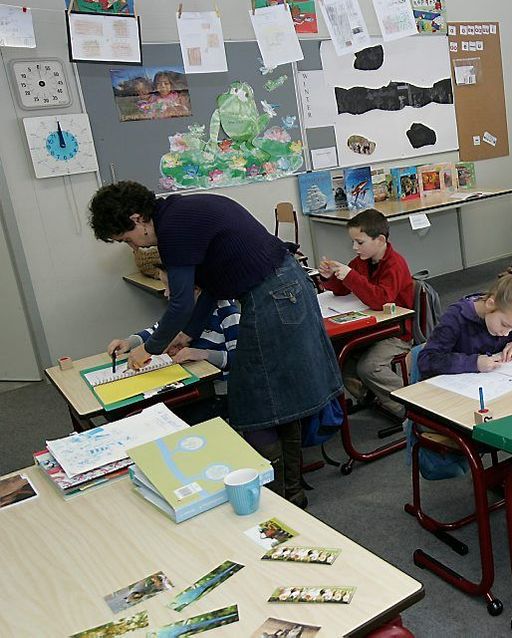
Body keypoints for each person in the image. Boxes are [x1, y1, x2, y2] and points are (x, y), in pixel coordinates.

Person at [88, 181, 341, 508]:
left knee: (256, 397)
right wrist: (188, 334)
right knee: (278, 393)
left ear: (137, 219)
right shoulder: (177, 215)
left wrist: (148, 349)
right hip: (282, 288)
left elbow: (180, 302)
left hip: (275, 294)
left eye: (127, 239)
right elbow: (210, 288)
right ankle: (289, 492)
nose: (134, 248)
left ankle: (281, 497)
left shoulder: (173, 228)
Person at [106, 264, 239, 421]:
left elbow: (239, 358)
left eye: (171, 287)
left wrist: (203, 354)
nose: (166, 294)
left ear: (196, 289)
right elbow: (157, 332)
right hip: (187, 383)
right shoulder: (179, 312)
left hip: (216, 394)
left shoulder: (228, 314)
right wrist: (129, 342)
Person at [318, 209, 414, 419]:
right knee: (332, 354)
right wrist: (329, 278)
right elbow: (343, 289)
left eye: (359, 242)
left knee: (369, 368)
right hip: (374, 327)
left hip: (396, 331)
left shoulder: (394, 264)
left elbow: (381, 300)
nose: (354, 247)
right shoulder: (363, 260)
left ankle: (413, 410)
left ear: (380, 240)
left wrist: (350, 276)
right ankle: (369, 394)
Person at [417, 262, 512, 378]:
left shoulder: (511, 314)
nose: (506, 334)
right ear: (490, 304)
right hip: (458, 392)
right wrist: (474, 363)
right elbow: (427, 360)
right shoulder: (456, 317)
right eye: (505, 325)